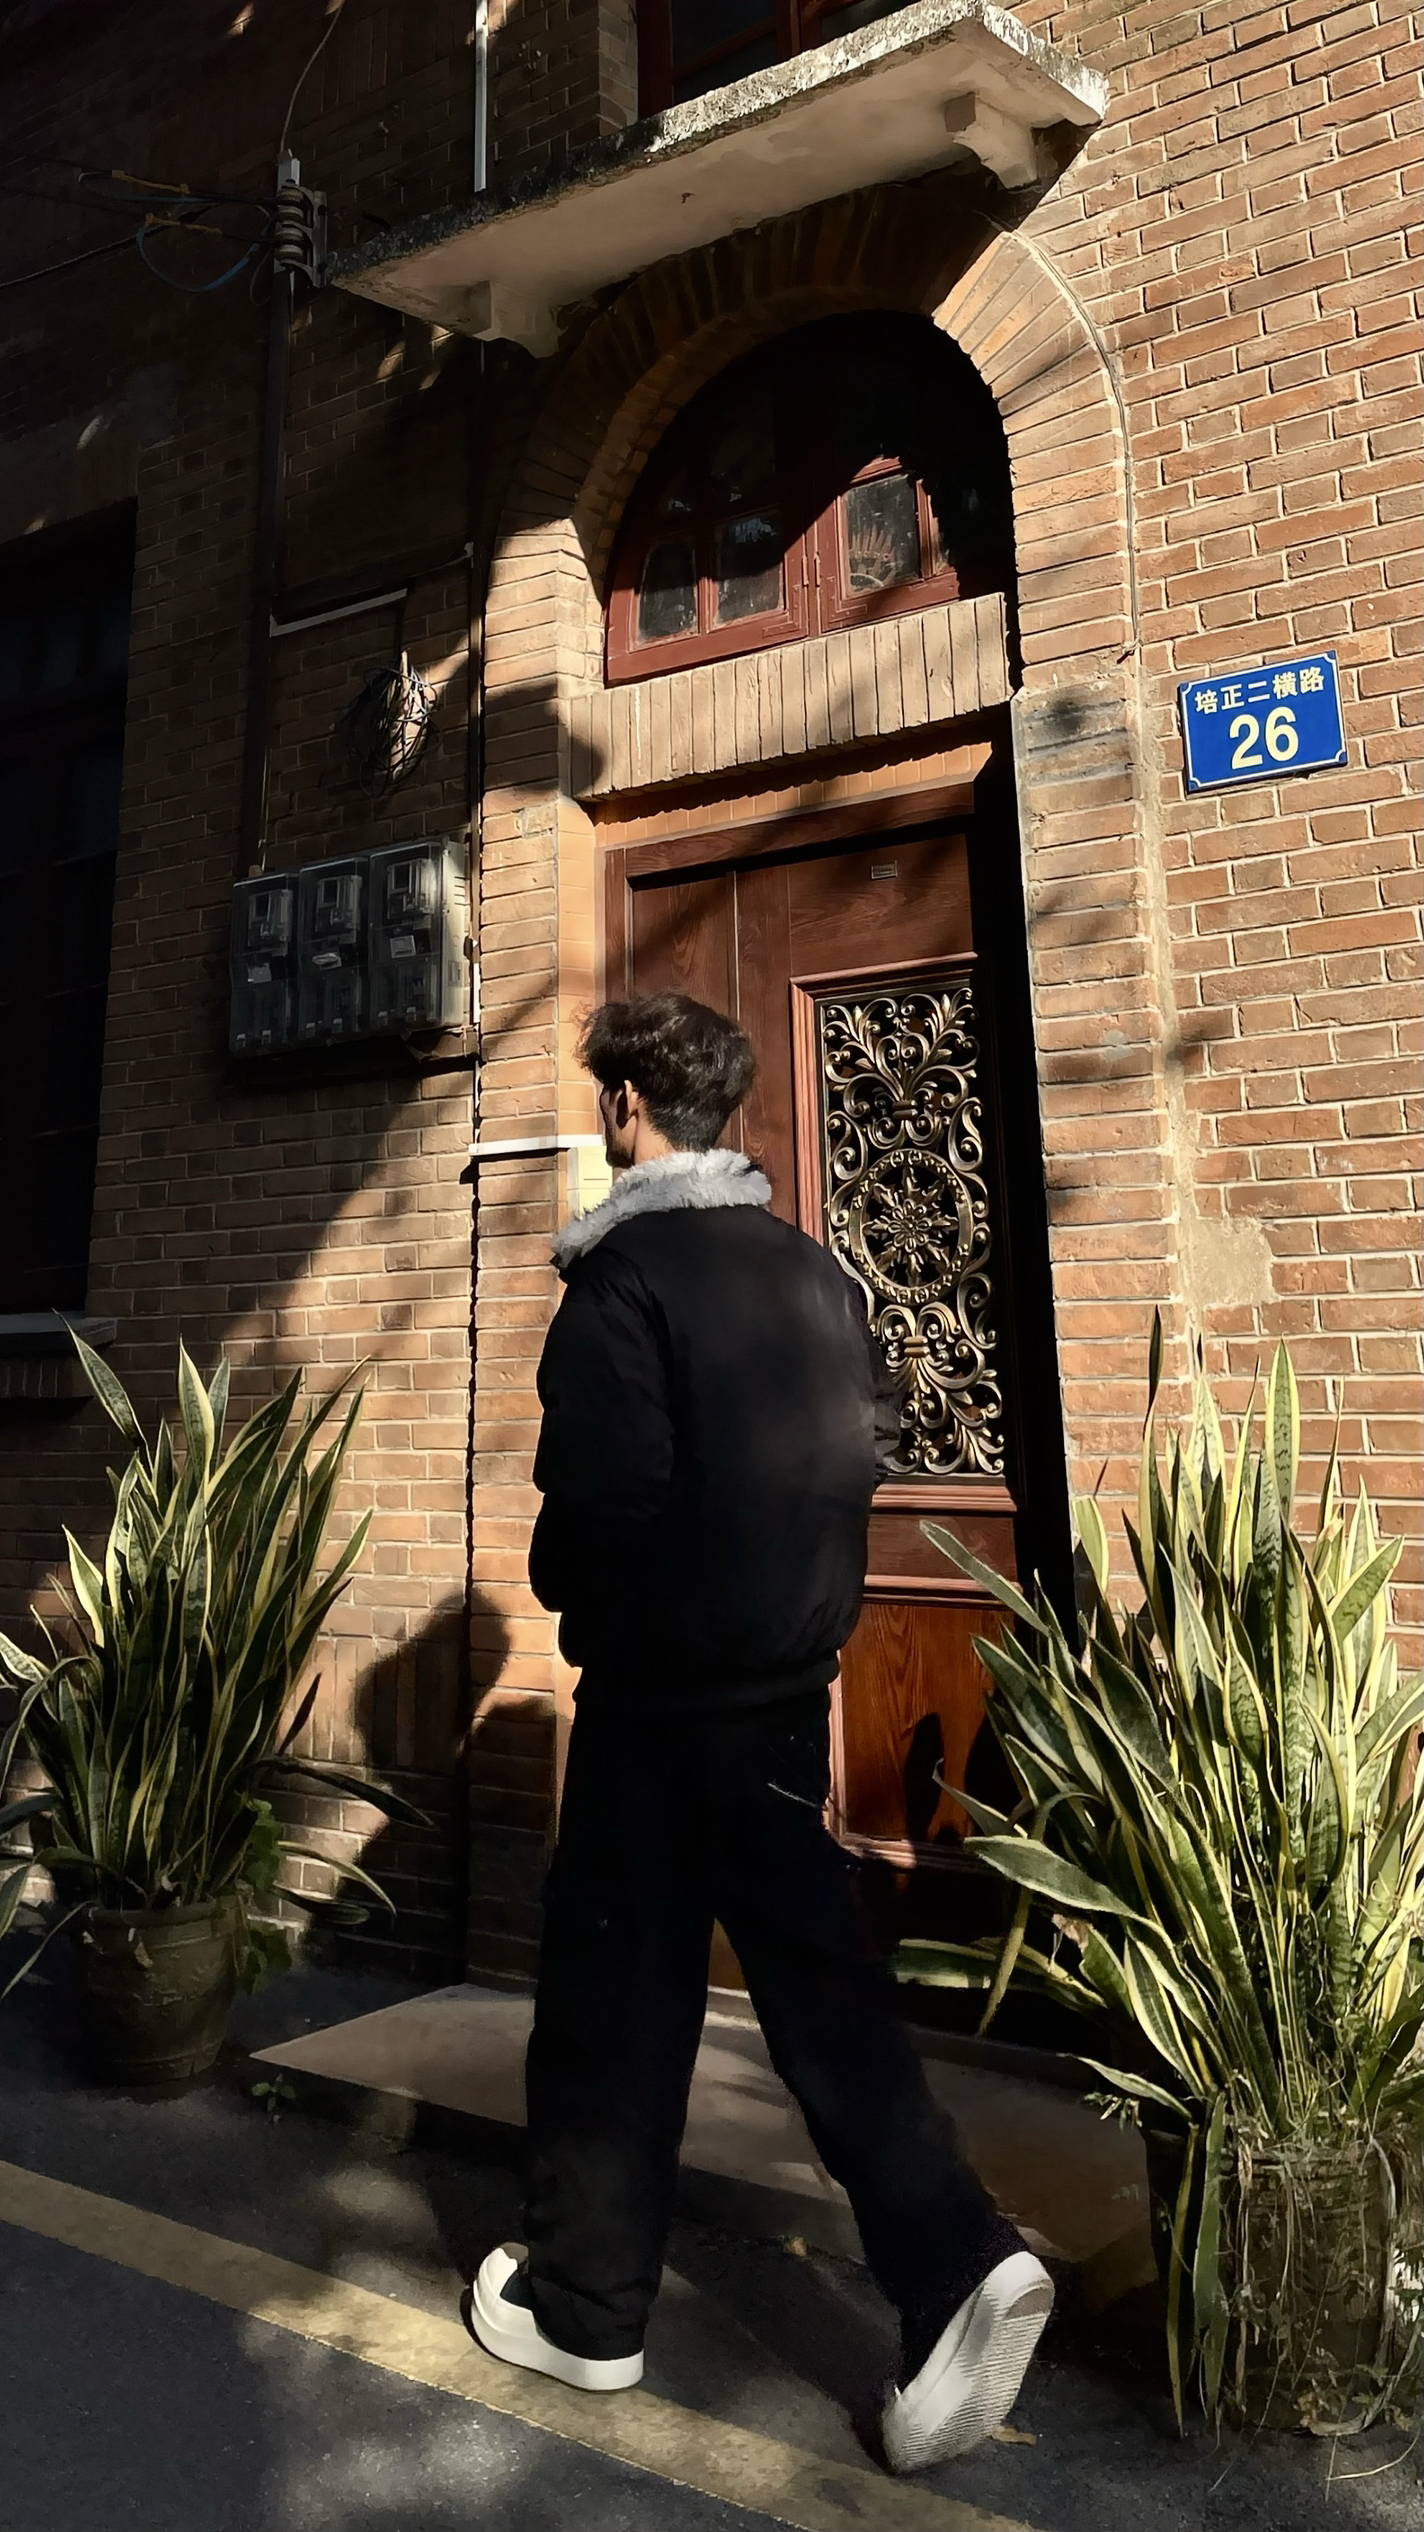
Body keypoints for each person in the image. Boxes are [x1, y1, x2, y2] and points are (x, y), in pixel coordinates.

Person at [468, 992, 1051, 2473]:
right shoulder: (817, 1272)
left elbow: (598, 1510)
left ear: (625, 1110)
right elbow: (863, 1450)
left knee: (614, 1994)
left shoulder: (620, 1282)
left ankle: (589, 2308)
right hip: (790, 1694)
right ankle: (956, 2261)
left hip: (658, 1705)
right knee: (820, 1986)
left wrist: (574, 1587)